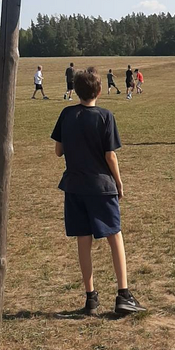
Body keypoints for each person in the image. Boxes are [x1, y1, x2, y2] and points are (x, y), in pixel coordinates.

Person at [51, 67, 144, 318]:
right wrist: (119, 182)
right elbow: (110, 155)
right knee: (115, 236)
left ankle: (90, 298)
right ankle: (123, 294)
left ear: (76, 90)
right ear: (99, 91)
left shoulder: (66, 114)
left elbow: (58, 151)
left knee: (83, 240)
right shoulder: (105, 116)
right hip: (101, 187)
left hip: (74, 187)